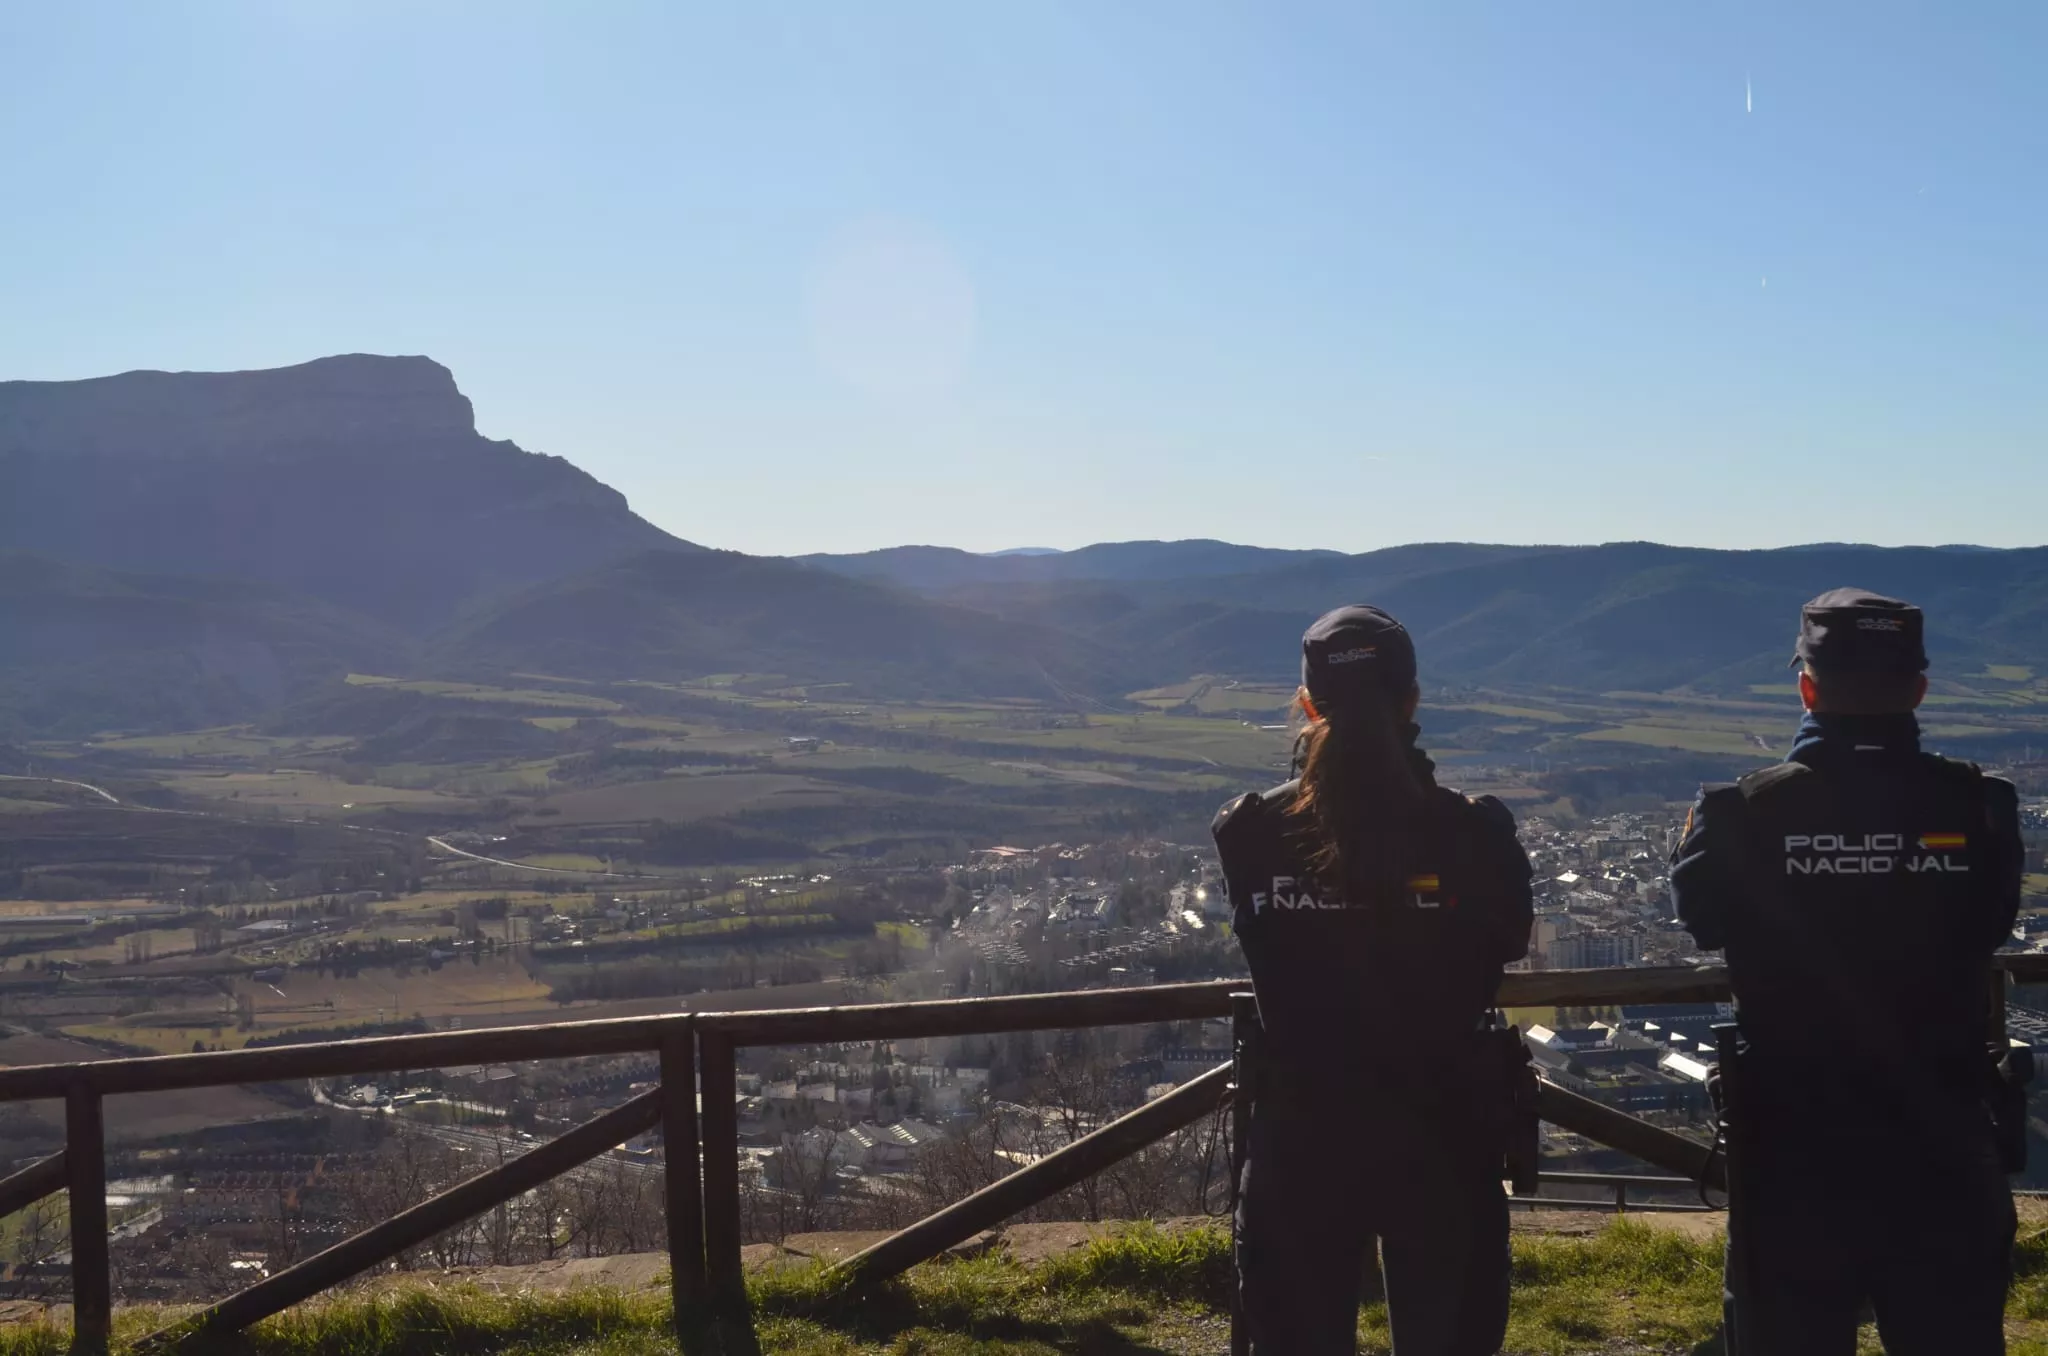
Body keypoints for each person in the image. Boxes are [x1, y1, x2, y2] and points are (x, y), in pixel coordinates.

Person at [1671, 588, 2023, 1356]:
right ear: (1920, 690)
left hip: (1793, 1152)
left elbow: (1703, 921)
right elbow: (1991, 925)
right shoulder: (1983, 807)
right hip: (1945, 1140)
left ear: (1806, 687)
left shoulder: (1737, 814)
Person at [1212, 604, 1534, 1356]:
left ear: (1308, 705)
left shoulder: (1250, 832)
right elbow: (1508, 940)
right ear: (1413, 700)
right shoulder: (1477, 834)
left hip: (1302, 1134)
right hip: (1446, 1130)